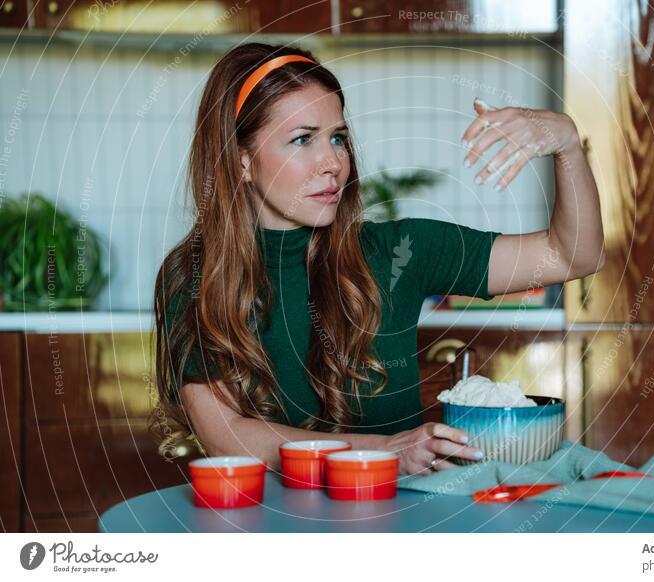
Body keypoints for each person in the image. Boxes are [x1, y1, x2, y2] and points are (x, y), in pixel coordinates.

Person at [153, 43, 605, 477]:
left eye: (338, 138)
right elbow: (225, 436)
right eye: (302, 139)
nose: (332, 161)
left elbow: (571, 255)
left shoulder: (400, 251)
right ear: (241, 161)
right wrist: (387, 450)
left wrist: (565, 142)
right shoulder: (192, 277)